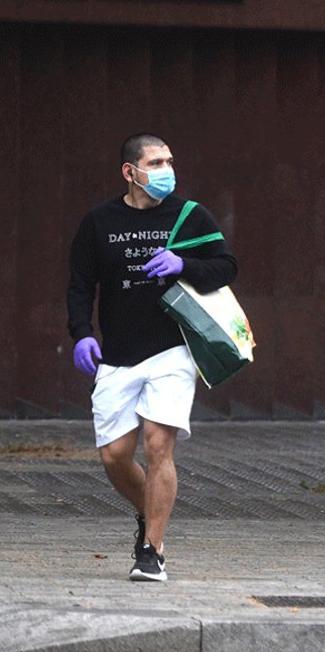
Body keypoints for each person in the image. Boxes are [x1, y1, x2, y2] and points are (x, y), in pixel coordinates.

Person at [67, 133, 237, 581]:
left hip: (173, 349)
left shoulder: (189, 215)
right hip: (118, 354)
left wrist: (185, 266)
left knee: (159, 444)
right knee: (115, 455)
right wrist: (82, 335)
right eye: (156, 162)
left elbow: (226, 266)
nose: (166, 169)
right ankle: (149, 514)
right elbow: (81, 285)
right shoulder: (98, 221)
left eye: (169, 161)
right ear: (130, 171)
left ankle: (152, 550)